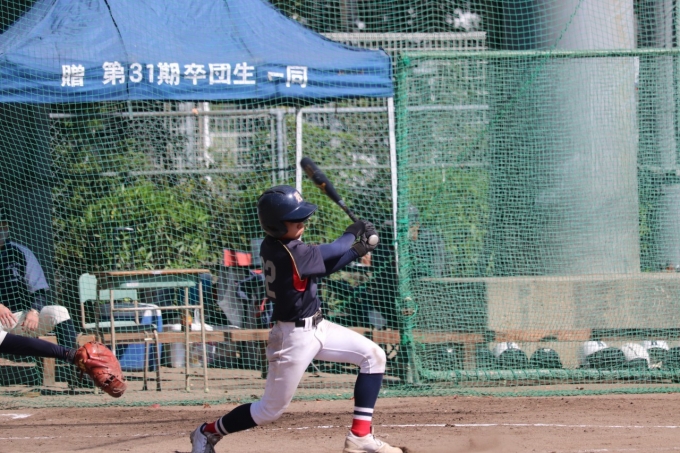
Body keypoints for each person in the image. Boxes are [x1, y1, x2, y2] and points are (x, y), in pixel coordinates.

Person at [190, 185, 403, 453]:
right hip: (292, 338)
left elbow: (320, 269)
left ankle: (360, 437)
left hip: (319, 327)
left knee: (373, 356)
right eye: (295, 219)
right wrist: (354, 231)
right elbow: (335, 248)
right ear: (276, 225)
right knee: (269, 410)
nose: (302, 222)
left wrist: (357, 250)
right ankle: (207, 432)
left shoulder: (277, 245)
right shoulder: (291, 251)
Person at [0, 206, 80, 385]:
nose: (1, 229)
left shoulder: (20, 252)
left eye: (3, 225)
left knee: (59, 312)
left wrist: (34, 311)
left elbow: (39, 289)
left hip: (20, 319)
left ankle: (76, 370)